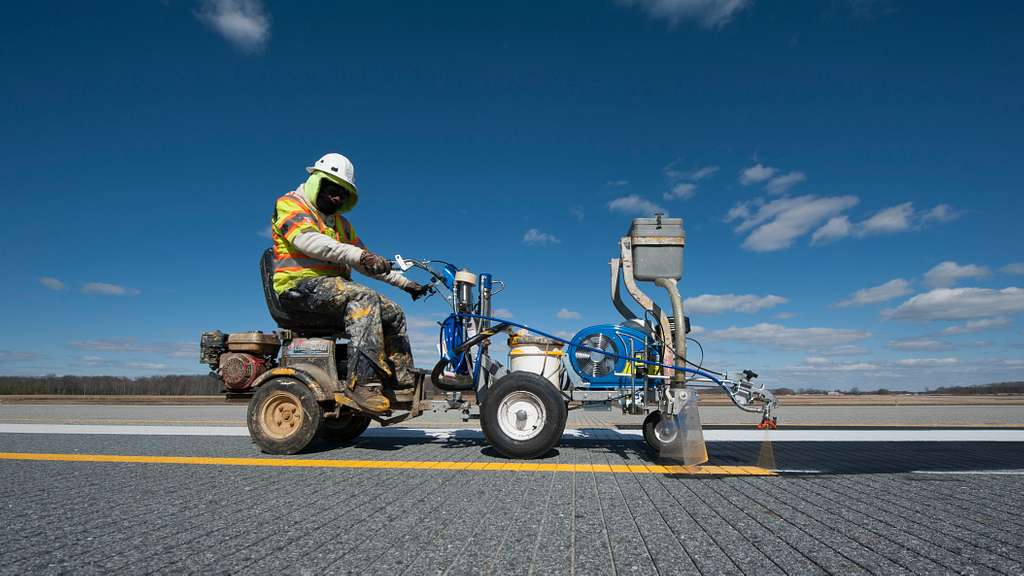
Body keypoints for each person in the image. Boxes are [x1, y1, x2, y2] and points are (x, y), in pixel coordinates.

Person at [270, 152, 429, 414]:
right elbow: (308, 241)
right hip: (297, 289)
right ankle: (362, 385)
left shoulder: (342, 225)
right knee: (363, 298)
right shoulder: (291, 204)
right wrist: (359, 255)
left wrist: (406, 284)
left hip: (331, 290)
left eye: (343, 194)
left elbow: (365, 261)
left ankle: (401, 380)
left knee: (393, 312)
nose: (337, 198)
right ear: (316, 182)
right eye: (332, 190)